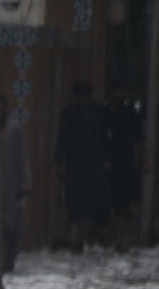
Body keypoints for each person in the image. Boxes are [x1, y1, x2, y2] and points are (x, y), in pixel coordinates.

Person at [54, 81, 110, 252]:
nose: (81, 100)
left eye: (84, 96)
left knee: (96, 201)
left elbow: (104, 138)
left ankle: (91, 237)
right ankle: (75, 239)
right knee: (74, 202)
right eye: (79, 96)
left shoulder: (98, 112)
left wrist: (106, 159)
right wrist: (59, 162)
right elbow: (62, 138)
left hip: (94, 163)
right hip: (75, 163)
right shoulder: (68, 114)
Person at [0, 96, 31, 271]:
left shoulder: (14, 129)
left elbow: (22, 155)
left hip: (12, 185)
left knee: (12, 226)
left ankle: (9, 261)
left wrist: (25, 182)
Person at [105, 85, 141, 237]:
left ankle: (120, 234)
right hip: (110, 161)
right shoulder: (106, 114)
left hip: (126, 161)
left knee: (124, 198)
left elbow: (138, 139)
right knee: (111, 197)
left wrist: (141, 160)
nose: (118, 94)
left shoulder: (130, 114)